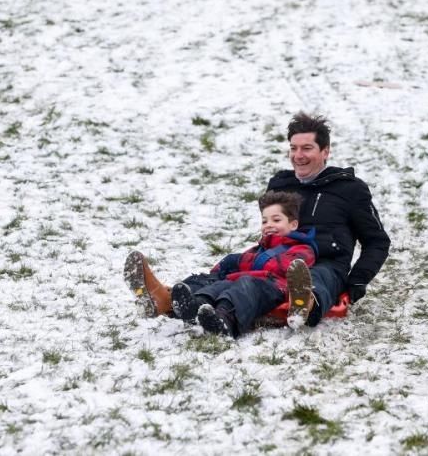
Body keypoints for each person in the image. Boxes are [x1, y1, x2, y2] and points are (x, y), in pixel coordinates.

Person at [124, 112, 390, 328]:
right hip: (279, 254)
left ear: (325, 151)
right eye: (294, 148)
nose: (299, 155)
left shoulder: (350, 189)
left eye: (307, 148)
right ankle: (169, 299)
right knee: (230, 271)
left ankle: (304, 303)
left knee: (313, 277)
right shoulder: (281, 183)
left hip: (326, 262)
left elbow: (377, 241)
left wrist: (356, 283)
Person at [172, 191, 317, 337]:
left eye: (276, 220)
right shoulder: (260, 248)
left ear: (293, 224)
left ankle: (223, 320)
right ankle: (194, 307)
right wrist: (218, 272)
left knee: (244, 285)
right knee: (219, 283)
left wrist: (240, 261)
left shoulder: (302, 248)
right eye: (264, 221)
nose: (269, 225)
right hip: (243, 282)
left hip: (272, 288)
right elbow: (225, 269)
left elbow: (283, 266)